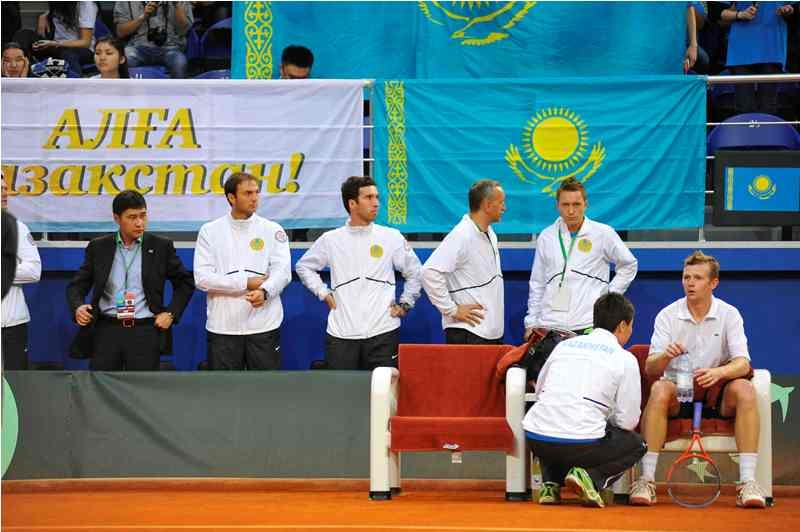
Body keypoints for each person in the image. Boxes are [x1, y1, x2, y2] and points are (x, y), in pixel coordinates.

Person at [629, 251, 766, 508]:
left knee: (745, 390)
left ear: (713, 283)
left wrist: (719, 373)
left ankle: (747, 483)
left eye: (697, 278)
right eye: (686, 277)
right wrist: (665, 356)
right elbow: (650, 366)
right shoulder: (667, 315)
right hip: (677, 393)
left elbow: (742, 362)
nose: (690, 283)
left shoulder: (730, 314)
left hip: (716, 393)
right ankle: (646, 480)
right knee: (659, 389)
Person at [523, 292, 644, 508]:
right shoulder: (625, 359)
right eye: (631, 326)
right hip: (582, 445)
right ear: (623, 325)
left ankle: (550, 484)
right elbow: (627, 422)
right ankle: (590, 477)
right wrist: (604, 418)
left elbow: (541, 392)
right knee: (637, 444)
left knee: (556, 420)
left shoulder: (563, 346)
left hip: (536, 440)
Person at [295, 176, 422, 370]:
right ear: (352, 204)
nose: (376, 203)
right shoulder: (331, 239)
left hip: (383, 333)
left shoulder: (391, 237)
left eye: (377, 197)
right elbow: (304, 267)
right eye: (369, 197)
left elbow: (416, 272)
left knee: (382, 389)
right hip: (341, 334)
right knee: (341, 389)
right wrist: (323, 292)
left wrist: (405, 304)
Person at [66, 190, 195, 370]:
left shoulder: (160, 246)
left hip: (145, 330)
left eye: (143, 215)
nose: (139, 223)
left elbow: (185, 283)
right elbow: (77, 286)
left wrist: (171, 313)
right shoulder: (99, 247)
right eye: (132, 217)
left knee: (143, 385)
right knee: (103, 384)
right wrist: (78, 306)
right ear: (117, 218)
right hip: (106, 330)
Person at [194, 172, 291, 370]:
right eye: (248, 193)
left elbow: (283, 272)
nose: (254, 198)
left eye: (256, 192)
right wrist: (246, 282)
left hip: (264, 325)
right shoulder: (210, 231)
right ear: (231, 197)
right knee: (225, 388)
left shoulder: (273, 229)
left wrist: (264, 291)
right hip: (223, 327)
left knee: (265, 386)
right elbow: (202, 278)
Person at [524, 177, 637, 339]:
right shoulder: (546, 236)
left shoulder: (603, 233)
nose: (571, 211)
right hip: (549, 324)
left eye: (576, 204)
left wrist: (608, 297)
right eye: (565, 205)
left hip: (588, 323)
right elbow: (537, 283)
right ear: (557, 206)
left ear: (585, 204)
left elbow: (629, 264)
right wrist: (531, 323)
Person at [422, 179, 506, 345]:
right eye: (501, 202)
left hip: (489, 332)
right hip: (469, 332)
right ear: (488, 205)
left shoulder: (490, 233)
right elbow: (428, 272)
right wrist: (451, 309)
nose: (504, 208)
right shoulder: (461, 235)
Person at [721, 1, 795, 115]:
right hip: (741, 50)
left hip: (772, 49)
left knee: (768, 109)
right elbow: (719, 13)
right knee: (744, 108)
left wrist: (788, 10)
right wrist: (740, 14)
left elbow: (795, 11)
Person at [1, 175, 41, 370]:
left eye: (5, 188)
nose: (5, 193)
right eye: (0, 189)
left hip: (11, 326)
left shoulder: (17, 228)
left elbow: (34, 271)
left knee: (13, 383)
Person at [114, 1, 193, 79]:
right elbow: (121, 32)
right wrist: (143, 16)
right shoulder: (125, 2)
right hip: (137, 47)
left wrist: (177, 6)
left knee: (179, 62)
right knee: (123, 59)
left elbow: (184, 30)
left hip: (171, 47)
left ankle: (177, 88)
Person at [27, 1, 97, 77]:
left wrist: (55, 43)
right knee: (26, 37)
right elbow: (58, 11)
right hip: (54, 45)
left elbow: (85, 42)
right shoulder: (58, 4)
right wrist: (44, 16)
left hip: (80, 48)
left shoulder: (86, 4)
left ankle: (76, 82)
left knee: (68, 54)